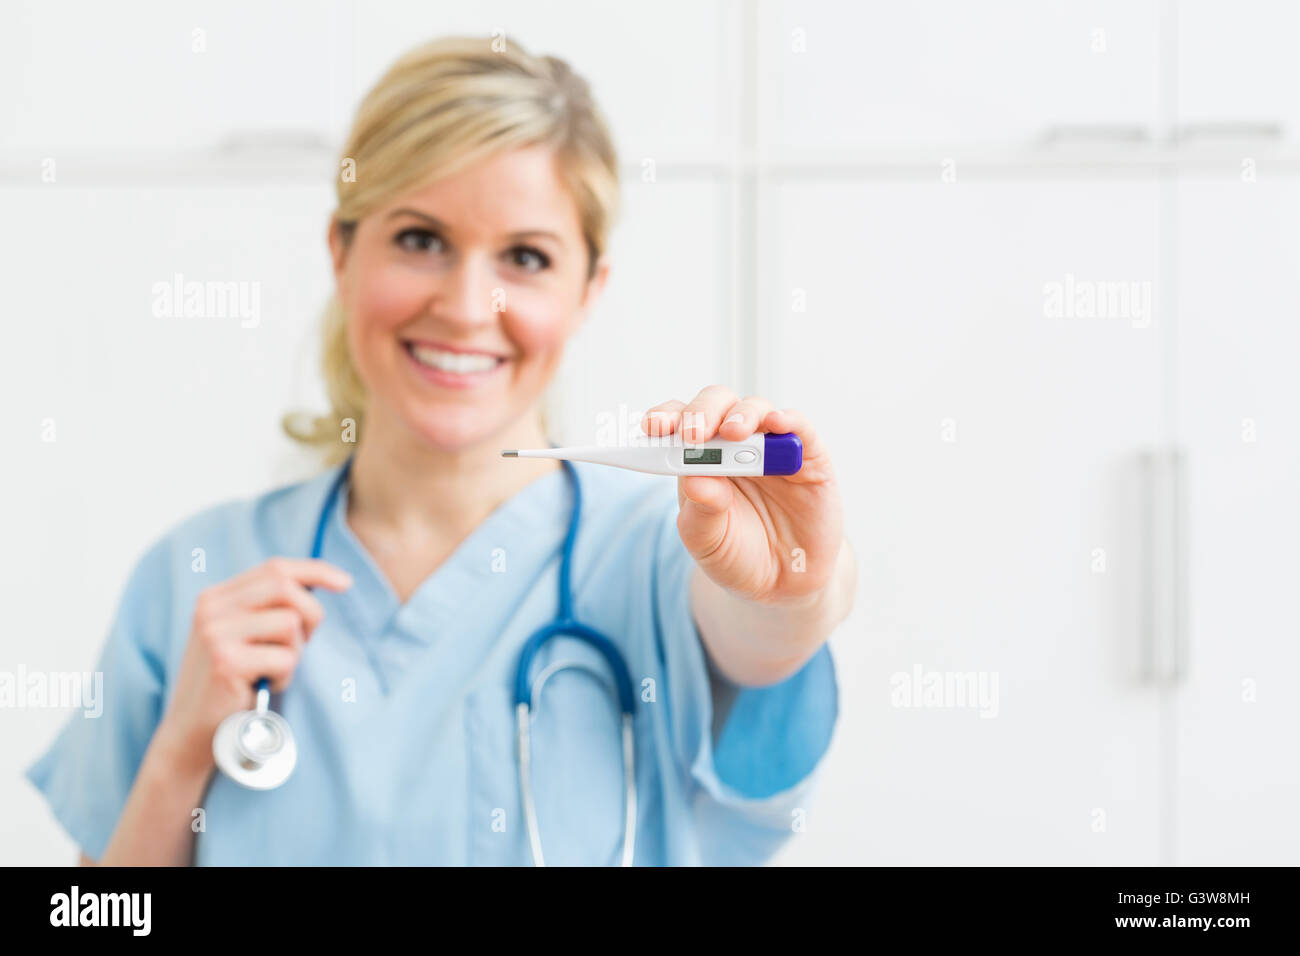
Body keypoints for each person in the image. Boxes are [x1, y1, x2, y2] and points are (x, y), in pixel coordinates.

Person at [25, 34, 855, 866]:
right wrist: (177, 757)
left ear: (587, 291)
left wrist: (794, 587)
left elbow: (766, 628)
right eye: (421, 239)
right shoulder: (195, 574)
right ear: (342, 252)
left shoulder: (657, 555)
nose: (465, 307)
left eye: (525, 258)